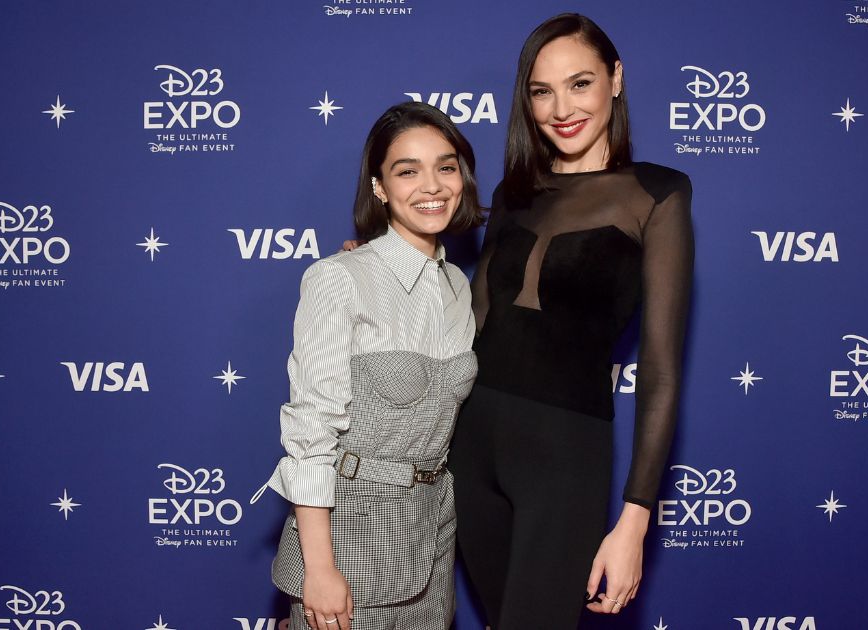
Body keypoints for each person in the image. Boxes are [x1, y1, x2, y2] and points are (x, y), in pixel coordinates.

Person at [447, 13, 694, 629]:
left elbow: (661, 374)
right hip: (469, 447)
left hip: (564, 456)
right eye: (541, 91)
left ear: (615, 79)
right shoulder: (512, 193)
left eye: (579, 84)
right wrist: (378, 264)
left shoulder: (657, 195)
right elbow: (467, 326)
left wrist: (634, 520)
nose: (562, 108)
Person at [263, 101, 484, 630]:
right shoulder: (340, 278)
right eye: (407, 171)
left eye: (446, 166)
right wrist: (320, 569)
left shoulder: (458, 288)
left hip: (430, 539)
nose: (432, 185)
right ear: (380, 186)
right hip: (348, 540)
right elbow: (312, 432)